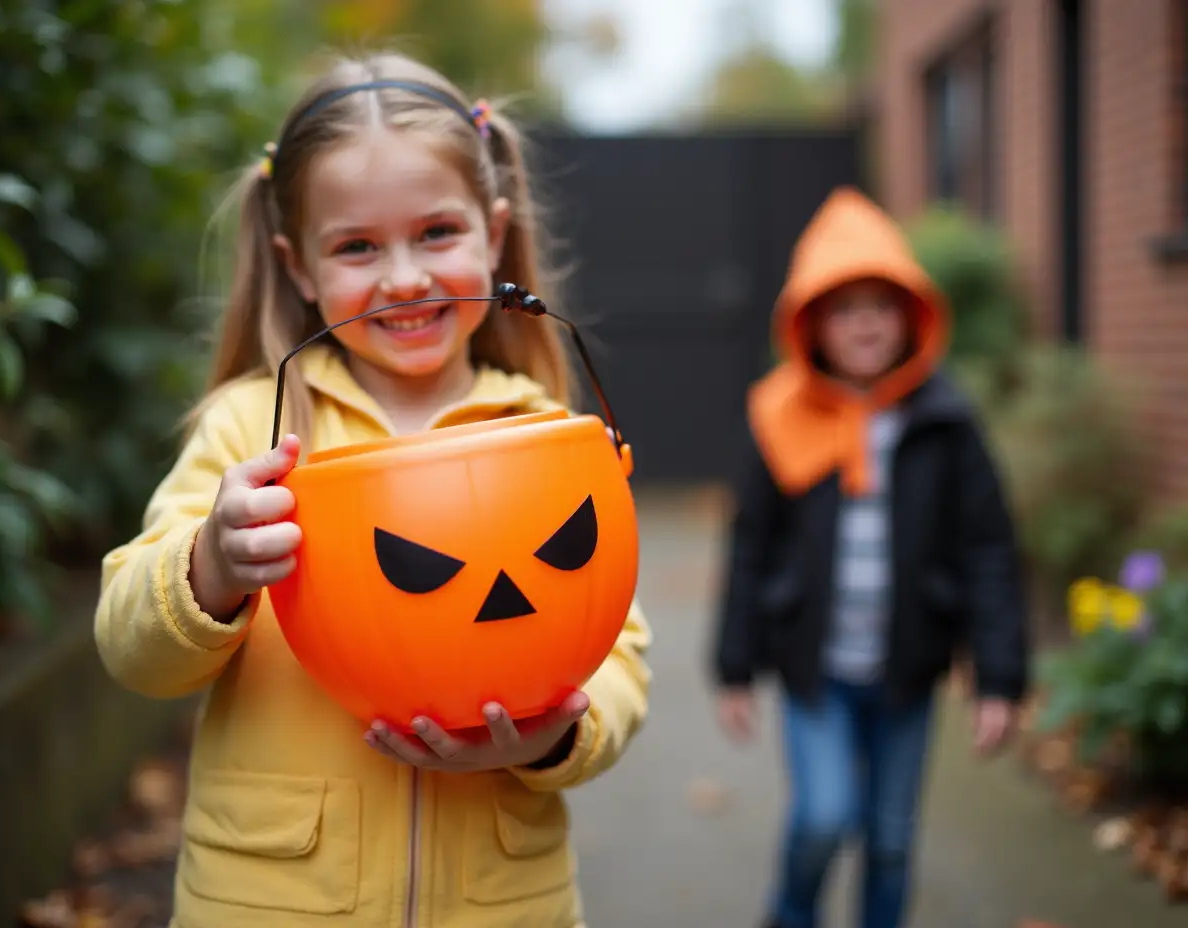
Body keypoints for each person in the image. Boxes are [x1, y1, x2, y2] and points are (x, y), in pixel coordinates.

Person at [94, 51, 651, 928]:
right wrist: (211, 564)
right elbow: (133, 651)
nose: (403, 277)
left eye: (437, 232)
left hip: (502, 904)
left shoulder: (545, 432)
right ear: (300, 265)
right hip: (273, 899)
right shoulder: (258, 427)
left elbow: (618, 651)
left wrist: (562, 735)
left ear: (493, 232)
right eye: (357, 246)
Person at [710, 186, 1028, 928]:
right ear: (809, 322)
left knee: (889, 842)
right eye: (844, 308)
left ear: (912, 318)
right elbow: (751, 543)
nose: (864, 324)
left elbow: (988, 547)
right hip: (814, 667)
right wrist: (734, 667)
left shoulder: (945, 421)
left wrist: (999, 678)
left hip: (907, 670)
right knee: (824, 818)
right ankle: (791, 913)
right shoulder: (777, 419)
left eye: (880, 307)